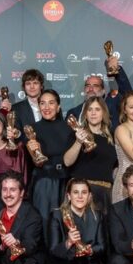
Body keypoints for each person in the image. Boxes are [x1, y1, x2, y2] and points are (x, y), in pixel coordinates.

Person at [65, 97, 118, 214]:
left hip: (105, 192)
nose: (93, 113)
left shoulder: (111, 138)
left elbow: (115, 167)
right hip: (82, 192)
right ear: (85, 113)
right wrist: (78, 141)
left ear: (104, 112)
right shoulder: (77, 134)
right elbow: (67, 162)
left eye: (97, 109)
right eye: (90, 109)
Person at [27, 89, 75, 218]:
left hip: (65, 181)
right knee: (43, 222)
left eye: (51, 103)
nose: (46, 107)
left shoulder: (70, 129)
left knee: (64, 223)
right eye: (42, 103)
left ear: (58, 107)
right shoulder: (32, 129)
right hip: (43, 182)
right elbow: (33, 162)